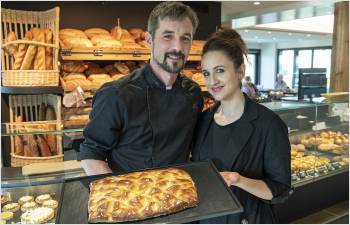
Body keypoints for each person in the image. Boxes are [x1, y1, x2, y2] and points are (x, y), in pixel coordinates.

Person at [78, 1, 203, 175]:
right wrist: (119, 195)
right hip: (132, 195)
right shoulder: (117, 94)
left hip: (179, 192)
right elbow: (91, 155)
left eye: (185, 38)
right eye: (168, 36)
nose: (177, 47)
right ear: (149, 40)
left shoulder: (193, 93)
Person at [192, 28, 292, 223]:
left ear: (240, 70)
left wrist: (239, 180)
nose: (212, 81)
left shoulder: (269, 124)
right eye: (206, 73)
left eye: (219, 70)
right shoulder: (202, 121)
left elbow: (280, 190)